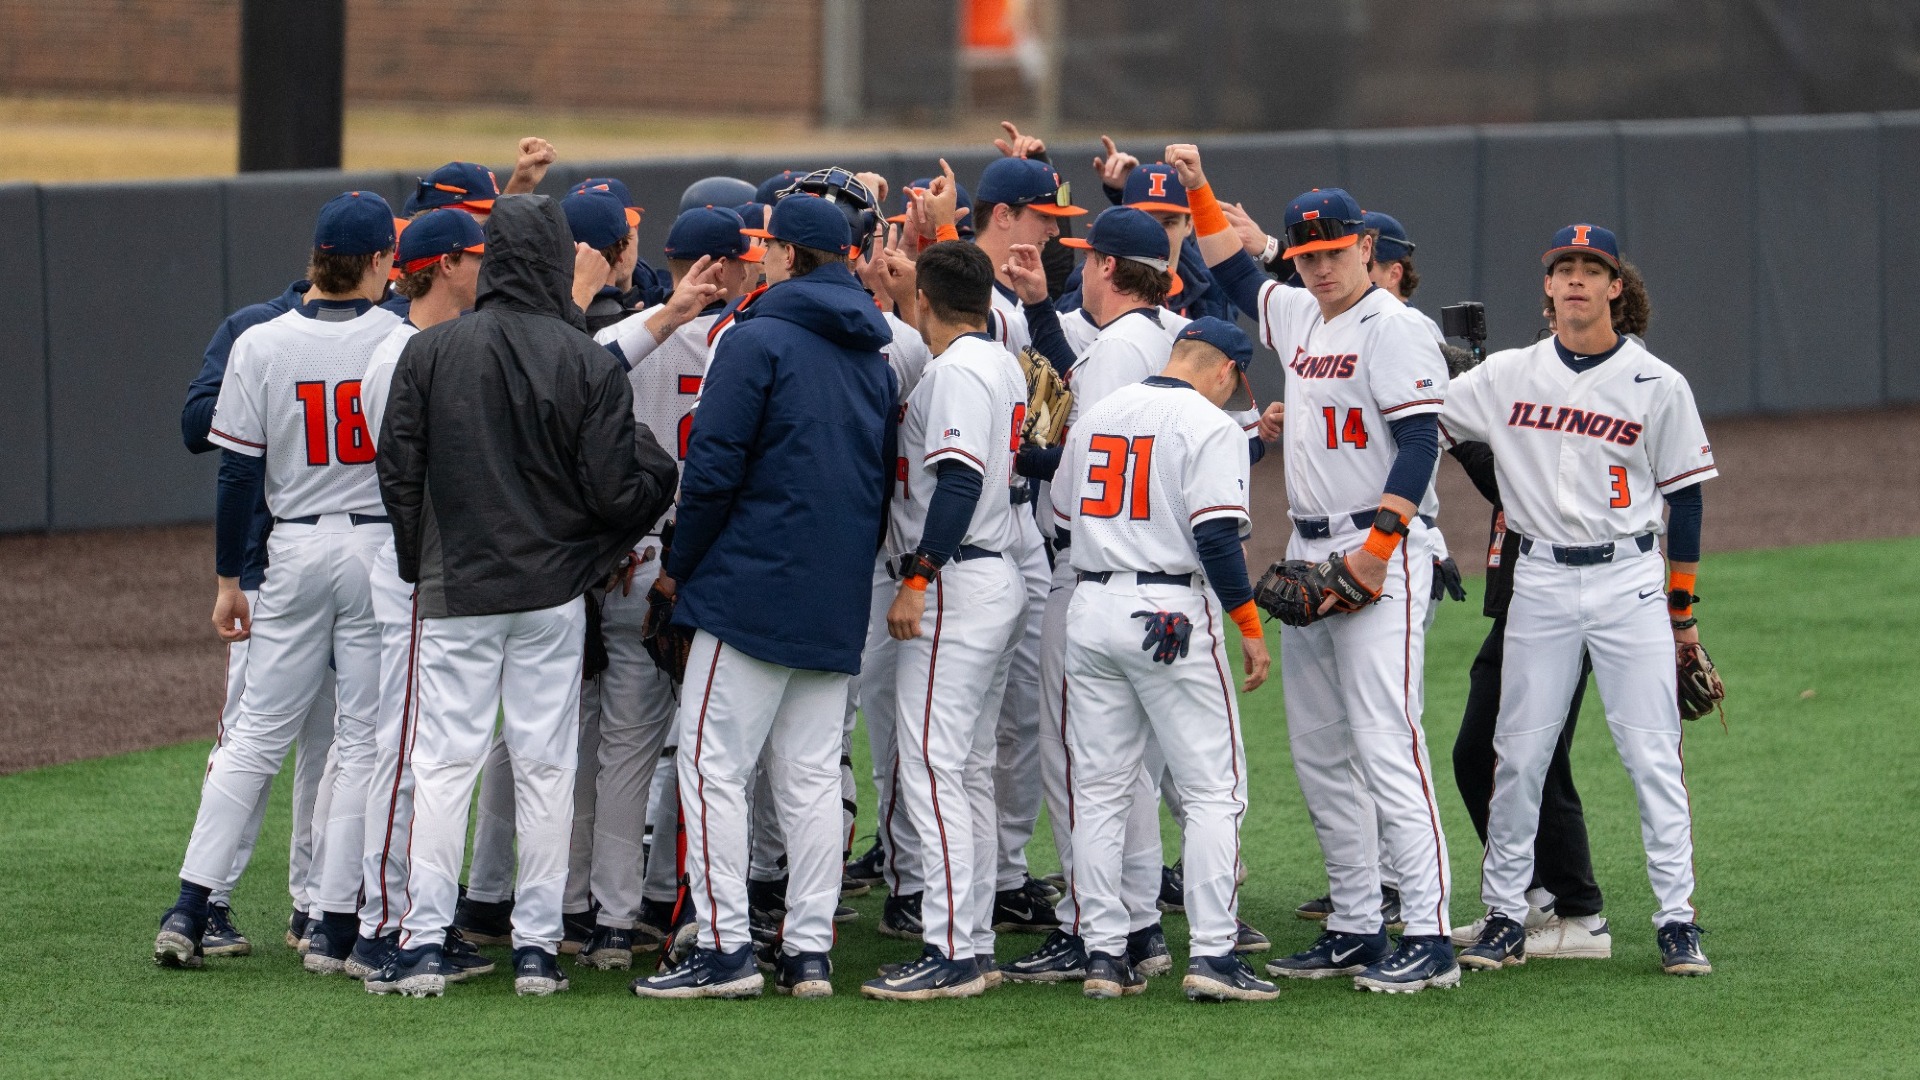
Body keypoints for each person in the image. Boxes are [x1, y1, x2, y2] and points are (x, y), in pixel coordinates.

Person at [366, 193, 678, 998]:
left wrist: (419, 564)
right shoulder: (581, 359)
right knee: (544, 766)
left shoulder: (430, 351)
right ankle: (537, 950)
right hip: (549, 596)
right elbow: (622, 489)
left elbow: (398, 474)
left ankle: (426, 940)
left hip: (458, 587)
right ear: (554, 261)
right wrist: (590, 554)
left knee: (444, 765)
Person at [1179, 145, 1461, 994]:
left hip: (1382, 548)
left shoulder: (1399, 327)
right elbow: (1230, 272)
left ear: (1366, 250)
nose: (1323, 268)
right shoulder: (1300, 314)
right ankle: (1353, 924)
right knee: (1321, 750)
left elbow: (1419, 444)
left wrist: (1376, 553)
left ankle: (1431, 932)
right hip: (1307, 548)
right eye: (1307, 257)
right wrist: (1199, 190)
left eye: (1335, 253)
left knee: (1387, 741)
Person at [629, 194, 896, 1001]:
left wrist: (680, 565)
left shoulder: (757, 338)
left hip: (747, 584)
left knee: (715, 768)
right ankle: (808, 951)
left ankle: (723, 948)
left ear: (787, 255)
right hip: (834, 586)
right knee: (812, 776)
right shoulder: (873, 351)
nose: (765, 256)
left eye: (771, 245)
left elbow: (713, 470)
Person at [1442, 224, 1716, 978]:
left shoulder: (1658, 384)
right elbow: (1418, 419)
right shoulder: (1505, 375)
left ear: (1614, 287)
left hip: (1629, 580)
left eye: (1589, 270)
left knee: (1651, 755)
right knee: (1518, 753)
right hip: (1540, 583)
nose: (1574, 281)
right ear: (1548, 286)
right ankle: (1504, 914)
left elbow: (1685, 498)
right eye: (1563, 268)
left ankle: (1677, 922)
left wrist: (1682, 608)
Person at [152, 192, 402, 974]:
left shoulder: (261, 341)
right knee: (359, 740)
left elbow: (236, 473)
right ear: (371, 263)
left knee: (256, 734)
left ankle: (191, 906)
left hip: (288, 553)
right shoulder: (398, 339)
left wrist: (230, 578)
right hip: (376, 549)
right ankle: (331, 924)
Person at [1053, 316, 1276, 1002]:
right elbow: (1215, 538)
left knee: (1098, 792)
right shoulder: (1209, 424)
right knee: (1213, 789)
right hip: (1170, 614)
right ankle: (1213, 953)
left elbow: (1063, 516)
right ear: (1227, 371)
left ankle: (1103, 955)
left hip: (1089, 609)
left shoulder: (1099, 414)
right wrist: (1249, 625)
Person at [566, 209, 750, 970]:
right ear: (733, 263)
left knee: (593, 751)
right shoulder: (744, 342)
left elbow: (569, 391)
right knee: (679, 755)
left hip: (610, 560)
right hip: (691, 562)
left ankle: (586, 914)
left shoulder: (625, 335)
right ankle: (641, 913)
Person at [857, 242, 1028, 1001]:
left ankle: (952, 949)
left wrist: (918, 578)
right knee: (964, 770)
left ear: (922, 298)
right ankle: (975, 936)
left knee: (932, 766)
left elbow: (956, 480)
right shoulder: (995, 358)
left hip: (954, 582)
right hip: (992, 574)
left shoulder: (956, 371)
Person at [345, 208, 495, 984]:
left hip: (426, 563)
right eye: (475, 254)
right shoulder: (402, 352)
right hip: (411, 566)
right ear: (439, 266)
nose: (486, 265)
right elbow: (411, 478)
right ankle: (384, 924)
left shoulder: (421, 346)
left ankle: (395, 911)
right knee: (403, 751)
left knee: (414, 746)